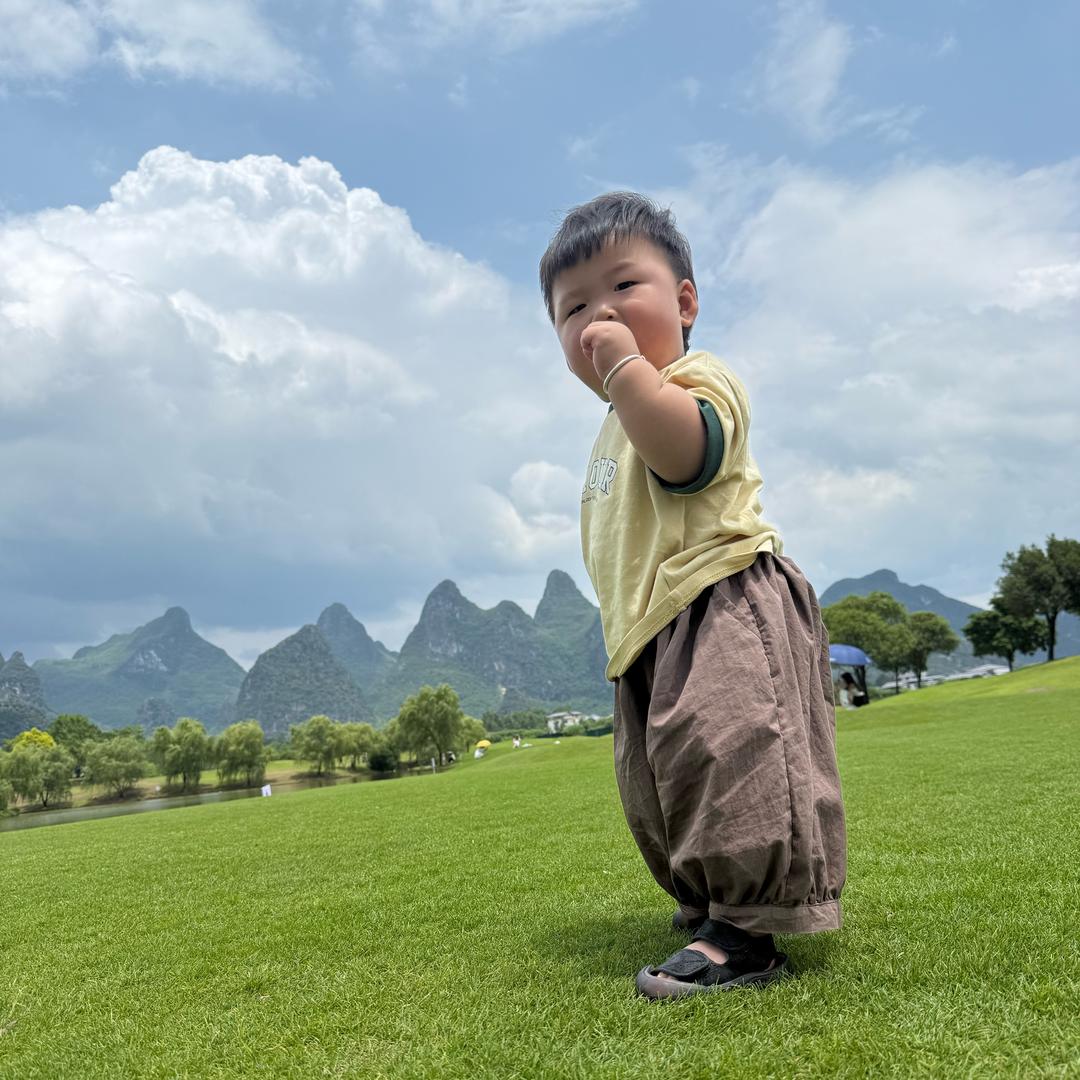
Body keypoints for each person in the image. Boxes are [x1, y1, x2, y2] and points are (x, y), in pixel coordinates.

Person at [539, 192, 847, 1000]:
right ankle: (709, 899)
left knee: (732, 755)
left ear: (684, 302)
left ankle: (746, 932)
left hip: (721, 599)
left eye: (622, 287)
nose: (600, 314)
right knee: (664, 779)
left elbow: (685, 456)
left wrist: (624, 370)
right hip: (650, 631)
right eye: (573, 308)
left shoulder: (697, 378)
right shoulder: (611, 429)